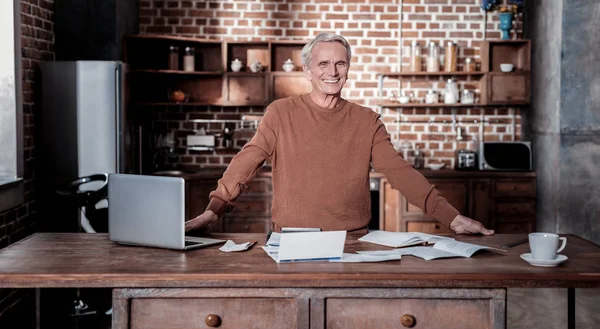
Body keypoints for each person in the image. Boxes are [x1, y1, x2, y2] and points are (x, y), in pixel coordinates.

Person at [185, 33, 493, 236]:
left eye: (340, 63)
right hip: (292, 241)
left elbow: (400, 172)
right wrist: (216, 209)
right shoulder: (280, 113)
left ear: (347, 68)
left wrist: (451, 216)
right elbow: (247, 162)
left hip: (353, 242)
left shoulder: (367, 119)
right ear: (307, 70)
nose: (332, 71)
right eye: (323, 64)